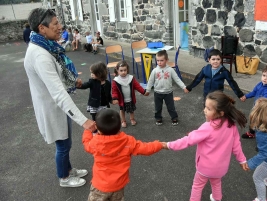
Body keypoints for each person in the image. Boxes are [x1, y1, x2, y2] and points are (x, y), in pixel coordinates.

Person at [24, 8, 96, 188]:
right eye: (55, 23)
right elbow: (57, 93)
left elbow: (57, 74)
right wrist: (84, 121)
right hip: (53, 106)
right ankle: (64, 177)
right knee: (63, 145)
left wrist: (71, 80)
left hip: (59, 106)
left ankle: (69, 170)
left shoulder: (45, 46)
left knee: (66, 142)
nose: (60, 26)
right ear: (42, 28)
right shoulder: (40, 55)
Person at [163, 91, 248, 201]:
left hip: (205, 167)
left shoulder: (208, 127)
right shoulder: (232, 126)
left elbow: (188, 141)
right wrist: (242, 160)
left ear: (221, 113)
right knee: (216, 183)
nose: (204, 110)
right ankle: (217, 198)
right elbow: (236, 146)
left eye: (208, 109)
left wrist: (169, 145)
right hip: (220, 168)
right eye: (205, 107)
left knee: (197, 186)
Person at [82, 109, 163, 201]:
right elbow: (146, 148)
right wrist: (158, 144)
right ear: (119, 125)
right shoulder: (128, 142)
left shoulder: (94, 144)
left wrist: (88, 131)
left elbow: (86, 144)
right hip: (118, 186)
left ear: (99, 130)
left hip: (100, 186)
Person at [144, 50, 186, 126]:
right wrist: (148, 90)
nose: (159, 62)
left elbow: (177, 79)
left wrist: (184, 87)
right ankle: (158, 118)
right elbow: (150, 81)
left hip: (168, 92)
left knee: (171, 107)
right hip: (157, 92)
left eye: (162, 60)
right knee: (158, 107)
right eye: (158, 60)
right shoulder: (155, 71)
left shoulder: (170, 70)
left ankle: (174, 117)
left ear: (166, 60)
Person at [240, 65, 267, 139]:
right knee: (253, 120)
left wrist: (259, 104)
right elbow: (254, 92)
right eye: (264, 75)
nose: (265, 78)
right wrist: (246, 96)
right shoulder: (260, 84)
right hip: (256, 107)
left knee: (261, 124)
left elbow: (266, 100)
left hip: (263, 110)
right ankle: (251, 133)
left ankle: (263, 141)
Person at [112, 60, 147, 128]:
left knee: (131, 110)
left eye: (125, 70)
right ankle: (123, 121)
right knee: (122, 110)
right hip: (122, 100)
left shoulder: (131, 78)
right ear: (117, 70)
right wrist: (115, 98)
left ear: (127, 69)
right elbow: (114, 91)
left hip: (130, 99)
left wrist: (144, 92)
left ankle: (132, 119)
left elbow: (137, 86)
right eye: (121, 70)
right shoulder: (116, 80)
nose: (123, 72)